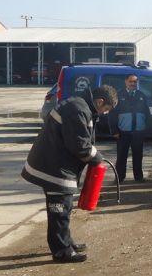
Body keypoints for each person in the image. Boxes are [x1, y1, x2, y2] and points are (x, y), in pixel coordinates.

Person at [21, 85, 118, 263]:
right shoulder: (78, 109)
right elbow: (79, 145)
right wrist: (97, 157)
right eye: (106, 109)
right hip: (53, 168)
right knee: (59, 210)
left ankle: (66, 242)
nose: (104, 113)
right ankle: (61, 251)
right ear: (100, 101)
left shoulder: (81, 105)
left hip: (56, 164)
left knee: (64, 208)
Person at [109, 74, 151, 183]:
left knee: (138, 155)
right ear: (126, 82)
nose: (133, 84)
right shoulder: (118, 95)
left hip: (138, 132)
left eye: (135, 82)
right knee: (122, 156)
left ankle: (138, 177)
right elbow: (112, 114)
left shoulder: (141, 95)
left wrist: (147, 129)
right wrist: (114, 131)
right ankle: (119, 178)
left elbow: (147, 113)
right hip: (123, 132)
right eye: (131, 81)